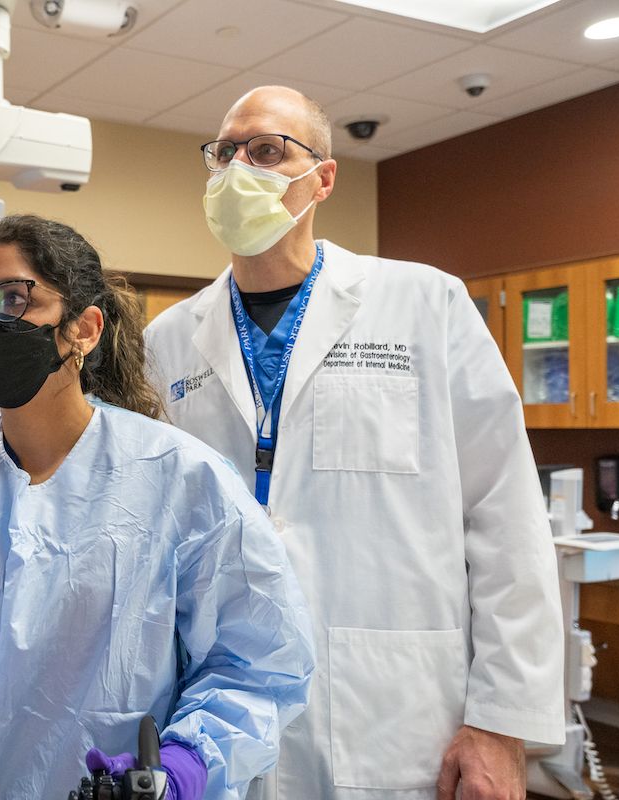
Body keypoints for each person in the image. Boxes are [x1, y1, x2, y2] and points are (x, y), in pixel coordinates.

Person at [144, 85, 565, 800]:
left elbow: (506, 516)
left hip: (398, 719)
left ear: (324, 177)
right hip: (221, 715)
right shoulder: (170, 341)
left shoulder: (425, 304)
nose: (239, 168)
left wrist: (501, 724)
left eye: (268, 151)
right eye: (225, 153)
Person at [0, 214, 315, 800]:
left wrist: (186, 765)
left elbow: (257, 660)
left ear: (83, 328)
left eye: (10, 300)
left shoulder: (185, 480)